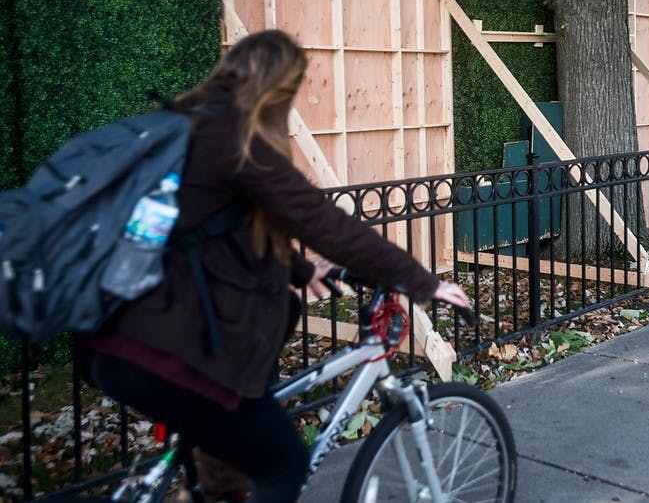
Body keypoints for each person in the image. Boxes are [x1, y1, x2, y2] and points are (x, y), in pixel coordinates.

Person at [82, 29, 470, 503]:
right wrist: (422, 282)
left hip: (117, 334)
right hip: (171, 351)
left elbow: (217, 232)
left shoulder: (184, 127)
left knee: (226, 466)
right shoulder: (236, 139)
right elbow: (321, 221)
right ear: (280, 88)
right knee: (284, 466)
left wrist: (302, 272)